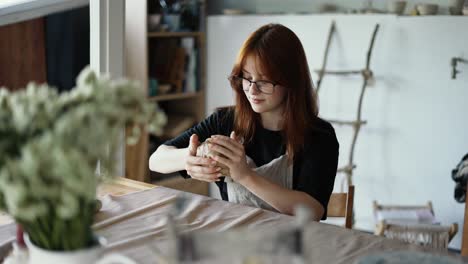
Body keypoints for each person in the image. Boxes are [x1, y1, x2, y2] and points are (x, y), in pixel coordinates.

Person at [149, 23, 339, 221]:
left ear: (291, 81)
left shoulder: (319, 135)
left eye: (264, 81)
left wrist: (245, 176)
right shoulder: (225, 121)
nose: (252, 90)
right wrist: (190, 159)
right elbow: (156, 160)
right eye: (247, 78)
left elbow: (312, 211)